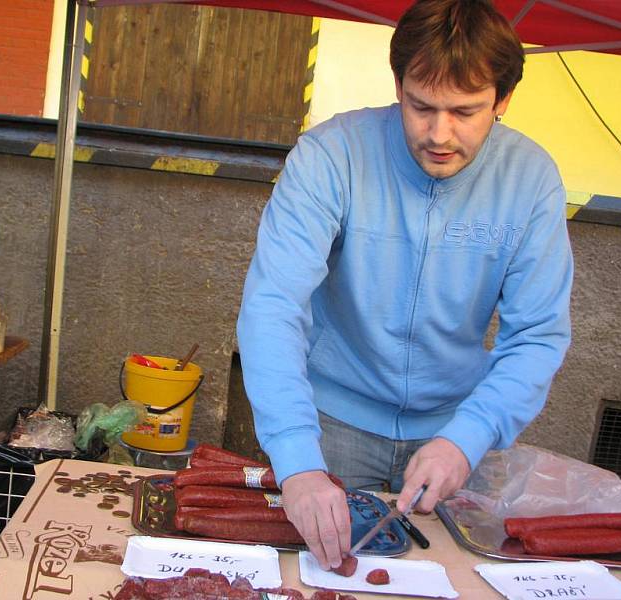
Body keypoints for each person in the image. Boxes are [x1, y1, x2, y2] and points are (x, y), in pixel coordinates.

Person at [236, 0, 573, 571]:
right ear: (398, 85)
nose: (439, 134)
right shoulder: (330, 155)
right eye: (421, 106)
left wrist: (469, 437)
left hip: (459, 433)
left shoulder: (532, 179)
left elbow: (537, 335)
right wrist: (296, 461)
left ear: (504, 100)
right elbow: (274, 306)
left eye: (466, 112)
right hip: (330, 425)